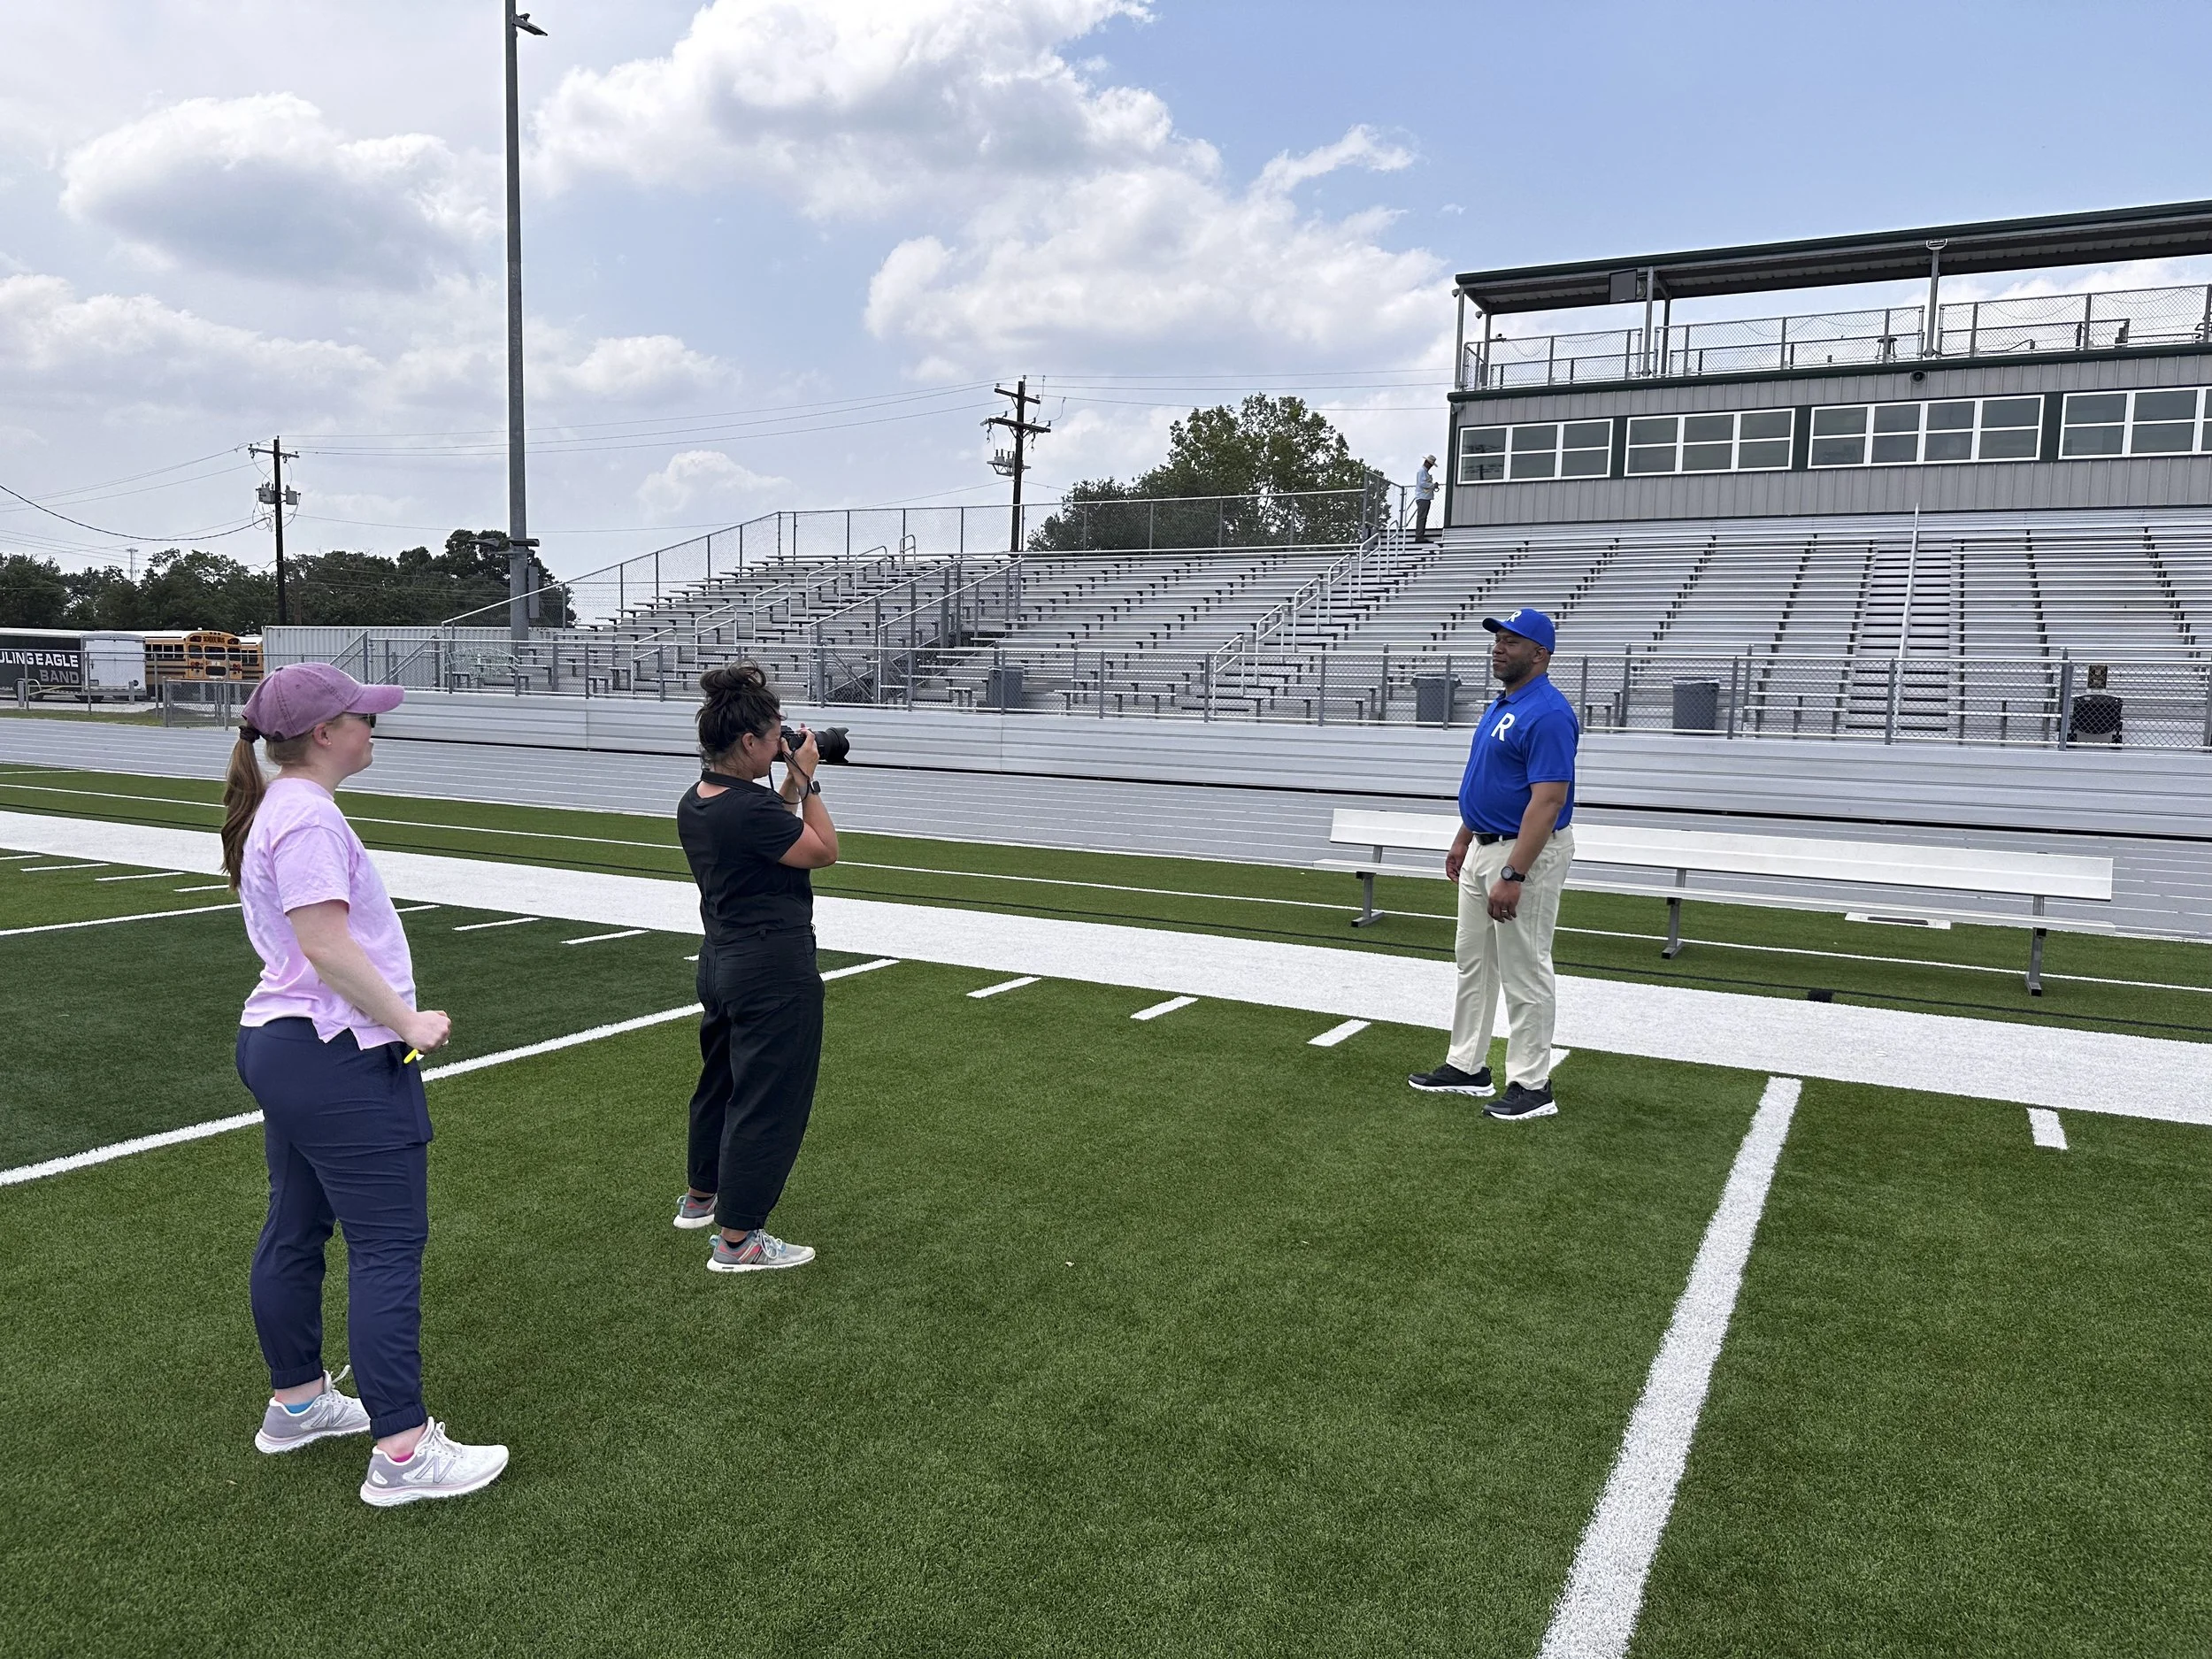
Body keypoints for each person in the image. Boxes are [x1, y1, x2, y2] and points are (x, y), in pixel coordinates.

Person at [223, 662, 509, 1507]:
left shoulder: (284, 806)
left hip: (287, 1044)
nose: (372, 728)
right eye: (361, 718)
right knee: (386, 1246)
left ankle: (300, 1402)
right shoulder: (306, 814)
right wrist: (409, 1021)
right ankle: (403, 1450)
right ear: (323, 733)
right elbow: (326, 942)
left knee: (297, 1223)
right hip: (333, 1049)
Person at [674, 663, 841, 1273]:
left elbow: (771, 825)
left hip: (723, 961)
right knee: (769, 1098)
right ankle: (738, 1238)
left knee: (720, 1082)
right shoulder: (748, 811)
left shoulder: (701, 800)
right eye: (774, 738)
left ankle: (702, 1196)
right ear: (749, 742)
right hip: (772, 969)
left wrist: (790, 781)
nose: (782, 747)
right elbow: (822, 850)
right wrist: (809, 780)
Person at [1408, 608, 1578, 1120]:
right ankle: (1467, 1066)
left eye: (1513, 641)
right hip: (1485, 844)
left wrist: (1515, 872)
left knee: (1524, 969)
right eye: (1498, 639)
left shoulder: (1547, 713)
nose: (1500, 647)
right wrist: (1465, 837)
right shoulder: (1503, 704)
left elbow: (1547, 801)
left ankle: (1532, 1084)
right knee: (1473, 963)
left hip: (1522, 852)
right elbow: (1487, 779)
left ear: (1540, 654)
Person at [1412, 454, 1439, 543]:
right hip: (1423, 497)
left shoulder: (1424, 472)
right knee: (1422, 517)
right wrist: (1433, 486)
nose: (1431, 466)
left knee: (1423, 517)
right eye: (1430, 464)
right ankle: (1419, 536)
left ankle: (1420, 534)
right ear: (1427, 463)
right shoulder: (1421, 471)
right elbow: (1422, 484)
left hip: (1425, 497)